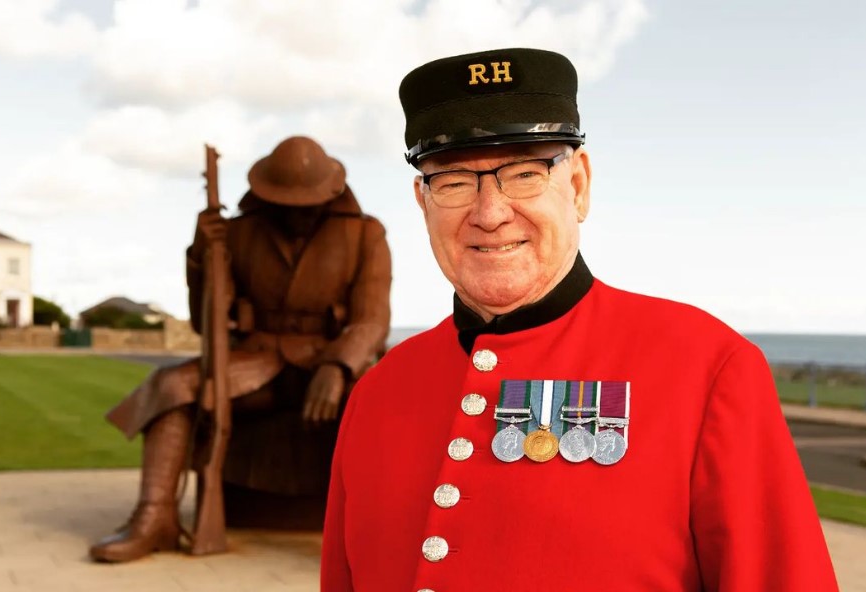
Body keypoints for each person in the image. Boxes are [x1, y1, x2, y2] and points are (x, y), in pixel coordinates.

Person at [320, 48, 838, 590]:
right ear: (423, 203)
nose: (490, 213)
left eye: (524, 174)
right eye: (452, 182)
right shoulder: (379, 391)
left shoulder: (708, 368)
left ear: (579, 185)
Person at [89, 136, 391, 563]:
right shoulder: (239, 232)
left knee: (382, 400)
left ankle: (377, 532)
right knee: (172, 384)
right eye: (288, 204)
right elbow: (205, 322)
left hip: (326, 357)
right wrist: (201, 257)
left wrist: (339, 365)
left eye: (307, 205)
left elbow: (372, 319)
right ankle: (155, 517)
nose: (297, 214)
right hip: (258, 360)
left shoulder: (365, 233)